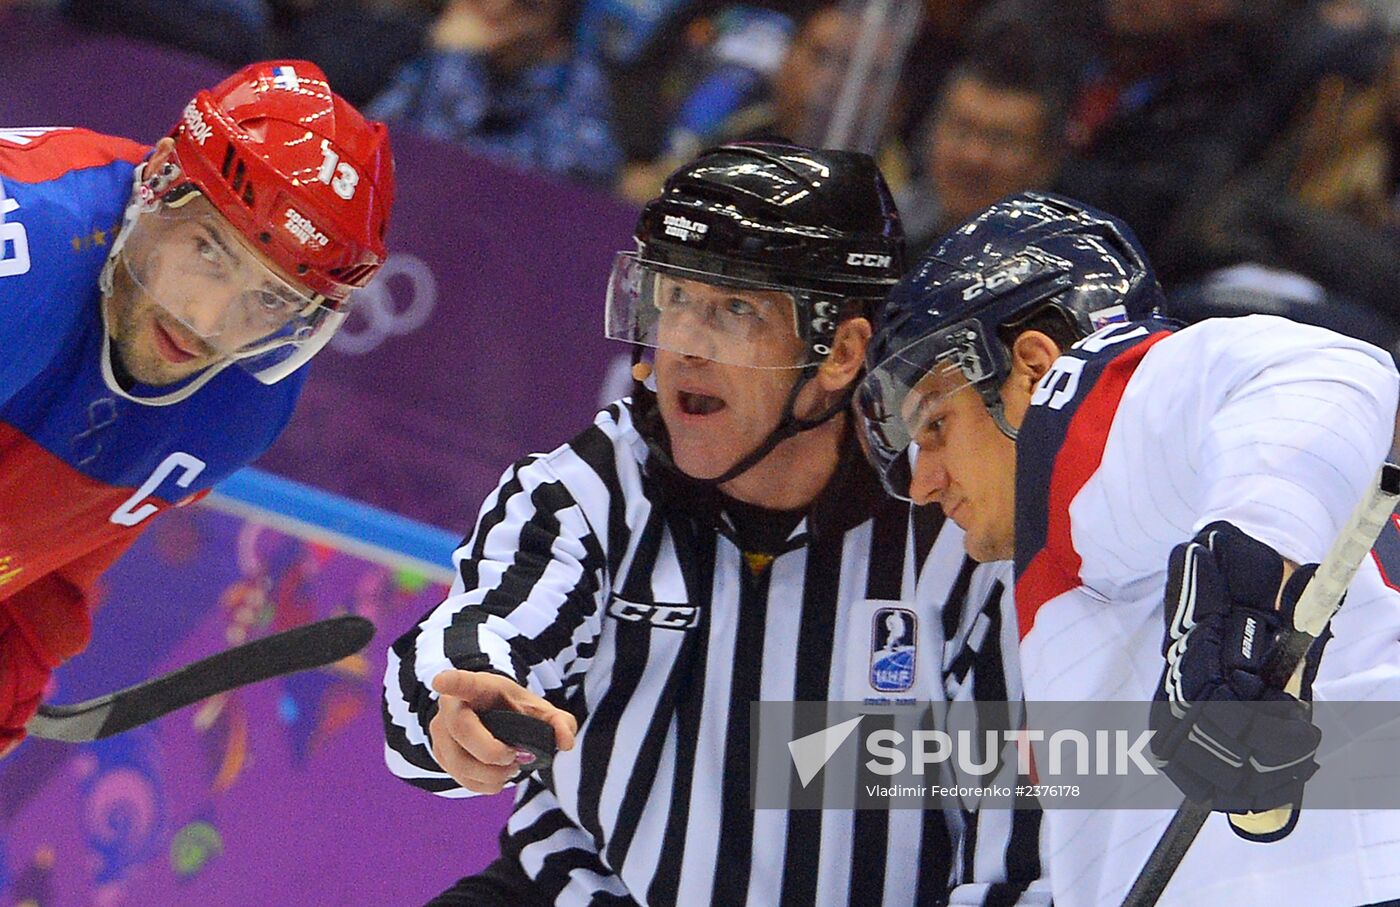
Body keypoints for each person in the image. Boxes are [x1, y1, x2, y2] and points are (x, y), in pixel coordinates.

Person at [383, 143, 1044, 904]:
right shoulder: (590, 491)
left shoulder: (959, 530)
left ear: (841, 350)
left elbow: (1023, 861)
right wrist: (461, 702)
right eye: (674, 298)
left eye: (737, 309)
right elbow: (471, 637)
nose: (685, 346)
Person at [856, 190, 1400, 906]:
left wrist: (1236, 600)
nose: (923, 483)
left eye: (933, 424)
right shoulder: (1090, 528)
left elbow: (1322, 371)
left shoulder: (1070, 403)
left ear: (1030, 364)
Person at [0, 60, 395, 758]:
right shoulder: (24, 250)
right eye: (208, 250)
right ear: (157, 181)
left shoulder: (240, 407)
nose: (210, 320)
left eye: (269, 298)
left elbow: (44, 575)